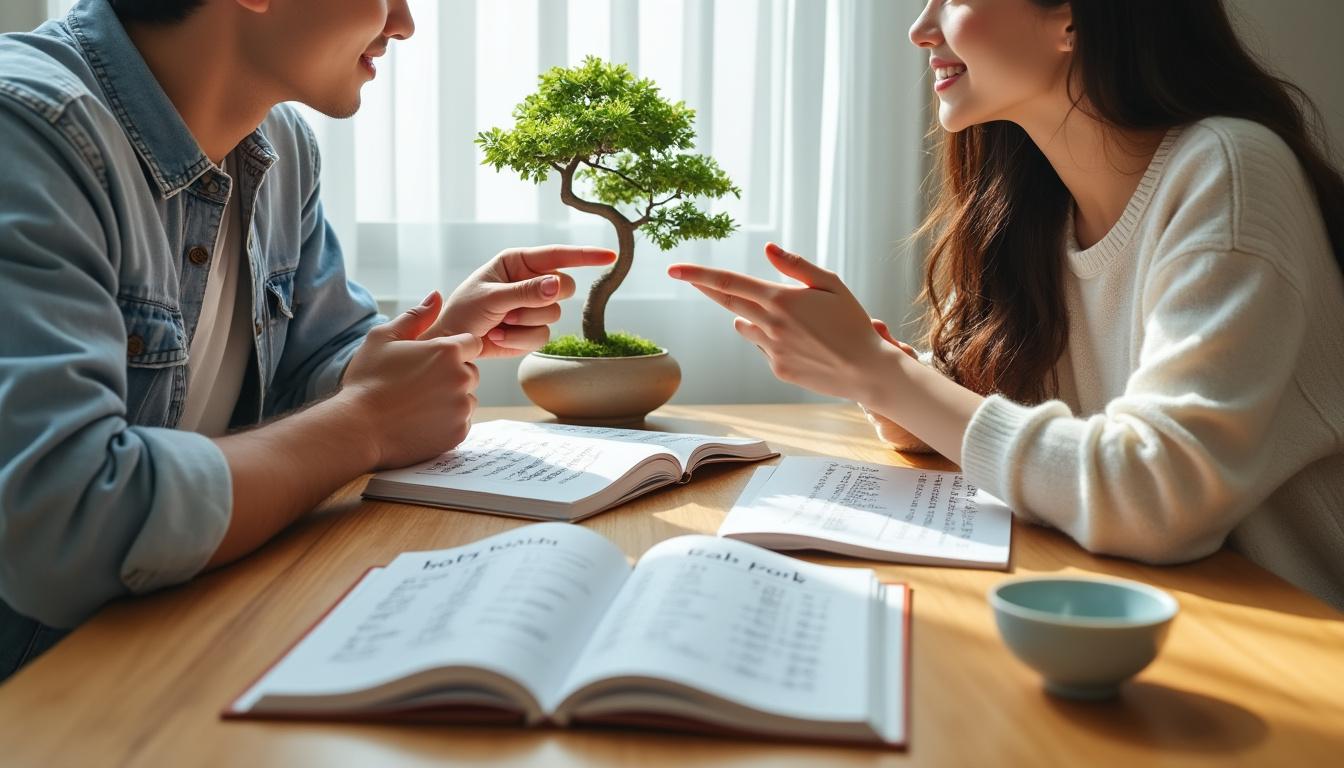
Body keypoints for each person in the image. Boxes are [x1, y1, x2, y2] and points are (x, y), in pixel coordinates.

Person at [0, 0, 615, 680]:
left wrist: (429, 349)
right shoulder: (29, 130)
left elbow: (318, 375)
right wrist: (368, 423)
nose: (404, 22)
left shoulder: (281, 148)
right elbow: (63, 524)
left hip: (184, 645)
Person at [669, 0, 1344, 610]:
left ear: (1072, 18)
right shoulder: (1035, 210)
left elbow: (1155, 497)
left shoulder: (1227, 169)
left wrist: (882, 373)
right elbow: (994, 406)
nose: (920, 30)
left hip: (1296, 645)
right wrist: (886, 379)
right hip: (1151, 613)